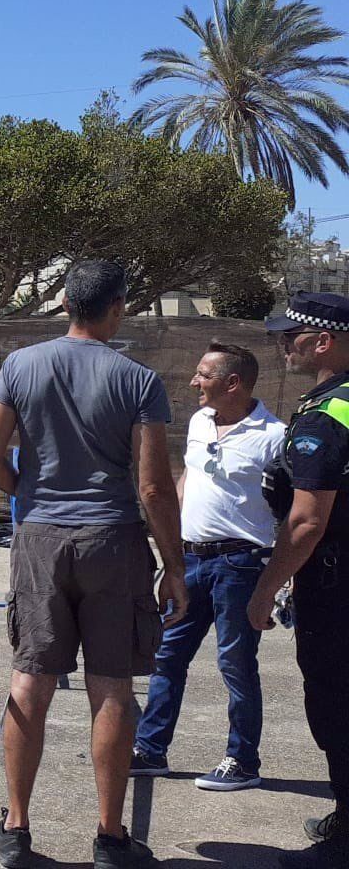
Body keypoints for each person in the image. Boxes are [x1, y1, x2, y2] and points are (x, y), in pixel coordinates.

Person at [0, 259, 188, 869]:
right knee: (113, 686)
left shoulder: (20, 365)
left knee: (30, 680)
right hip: (112, 539)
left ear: (67, 302)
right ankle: (110, 836)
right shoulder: (138, 379)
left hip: (42, 538)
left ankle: (16, 827)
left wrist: (30, 495)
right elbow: (152, 488)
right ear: (118, 306)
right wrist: (173, 567)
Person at [132, 343, 282, 792]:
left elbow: (289, 509)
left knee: (235, 663)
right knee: (166, 654)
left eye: (203, 375)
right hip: (191, 559)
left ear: (232, 383)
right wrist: (171, 549)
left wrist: (278, 581)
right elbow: (187, 477)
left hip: (241, 564)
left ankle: (242, 760)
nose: (194, 383)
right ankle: (150, 750)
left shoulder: (273, 436)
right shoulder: (199, 422)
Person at [247, 292, 349, 867]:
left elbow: (307, 521)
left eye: (292, 336)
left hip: (336, 586)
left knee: (336, 704)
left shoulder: (326, 413)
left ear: (323, 340)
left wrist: (266, 589)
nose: (284, 346)